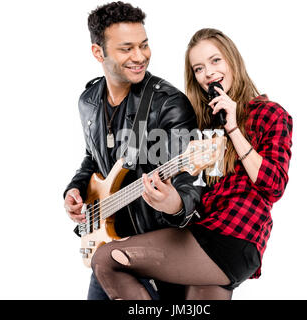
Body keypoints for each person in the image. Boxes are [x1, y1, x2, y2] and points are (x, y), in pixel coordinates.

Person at [90, 28, 293, 300]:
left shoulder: (270, 114)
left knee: (106, 258)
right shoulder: (202, 125)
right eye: (198, 68)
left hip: (235, 238)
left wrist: (233, 129)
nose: (208, 73)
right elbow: (191, 195)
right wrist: (169, 199)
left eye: (215, 61)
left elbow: (275, 186)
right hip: (198, 236)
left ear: (233, 60)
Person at [63, 2, 201, 300]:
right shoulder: (88, 101)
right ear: (98, 53)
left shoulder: (169, 104)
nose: (140, 57)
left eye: (144, 45)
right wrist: (74, 190)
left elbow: (191, 183)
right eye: (127, 49)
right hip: (106, 245)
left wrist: (175, 203)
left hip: (156, 252)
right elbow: (94, 158)